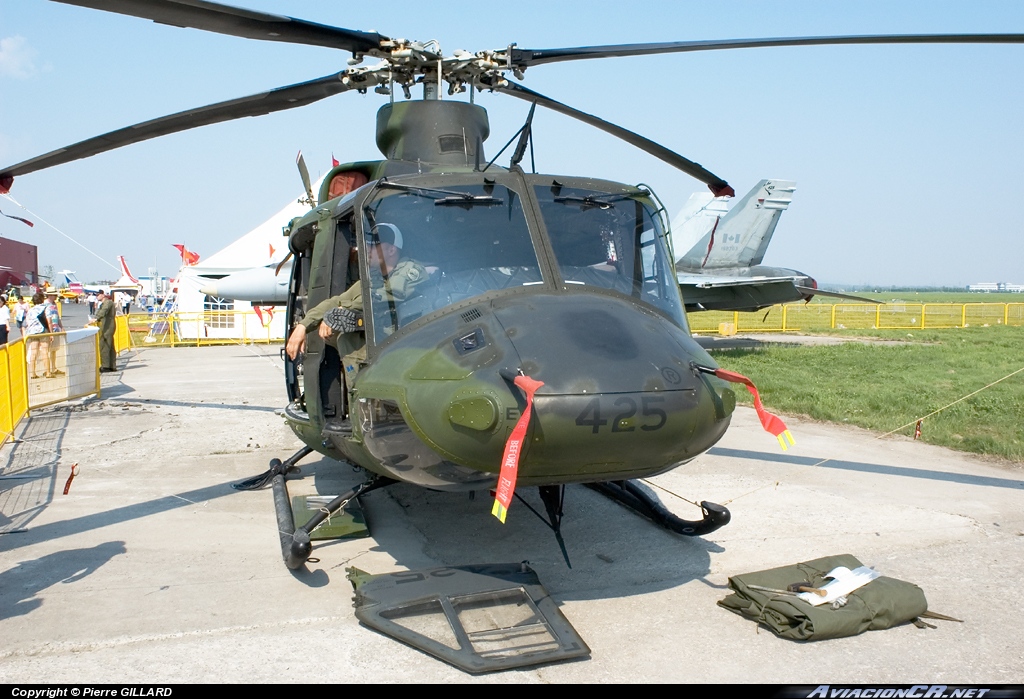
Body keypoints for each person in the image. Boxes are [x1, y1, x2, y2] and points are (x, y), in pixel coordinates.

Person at [285, 223, 426, 399]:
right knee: (344, 336)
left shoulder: (411, 271)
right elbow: (336, 301)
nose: (366, 249)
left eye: (373, 245)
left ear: (391, 250)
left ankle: (362, 397)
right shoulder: (374, 277)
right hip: (387, 343)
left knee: (348, 339)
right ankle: (359, 397)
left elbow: (386, 297)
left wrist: (339, 312)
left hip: (411, 344)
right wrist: (303, 326)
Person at [24, 292, 49, 378]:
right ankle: (48, 372)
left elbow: (27, 322)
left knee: (33, 352)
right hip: (42, 330)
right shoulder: (44, 308)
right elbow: (48, 320)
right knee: (44, 351)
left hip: (32, 332)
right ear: (42, 299)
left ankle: (33, 373)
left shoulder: (30, 311)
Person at [94, 290, 117, 372]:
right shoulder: (103, 304)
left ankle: (106, 366)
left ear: (103, 295)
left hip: (107, 327)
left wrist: (96, 319)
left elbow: (103, 311)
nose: (97, 296)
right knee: (109, 345)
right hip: (105, 326)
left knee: (104, 345)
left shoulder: (108, 303)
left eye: (98, 295)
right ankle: (112, 365)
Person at [43, 291, 65, 377]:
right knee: (46, 350)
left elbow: (57, 316)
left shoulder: (54, 304)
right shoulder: (45, 304)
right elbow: (47, 319)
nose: (56, 296)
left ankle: (53, 368)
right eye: (54, 295)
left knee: (54, 349)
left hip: (55, 328)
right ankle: (47, 369)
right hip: (49, 330)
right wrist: (50, 332)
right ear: (49, 295)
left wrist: (61, 327)